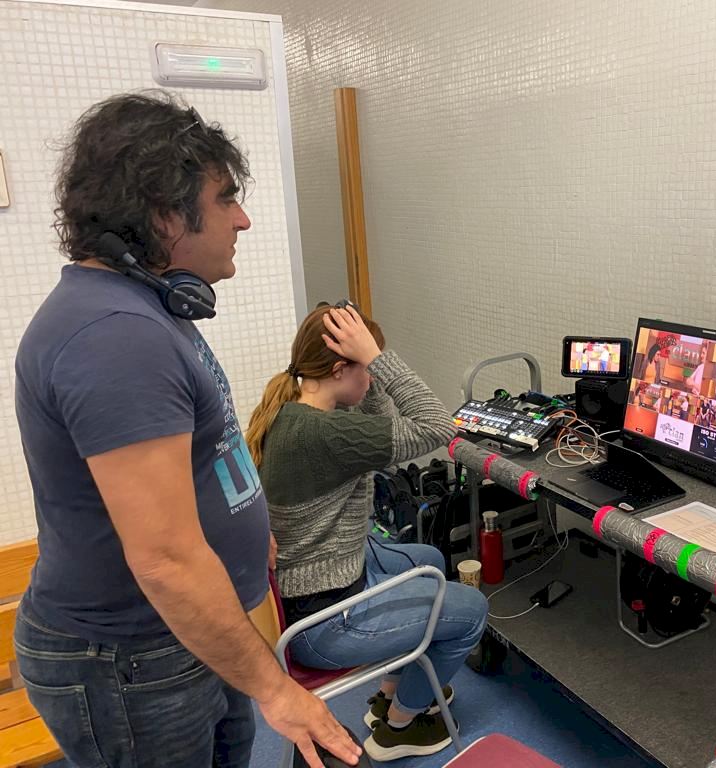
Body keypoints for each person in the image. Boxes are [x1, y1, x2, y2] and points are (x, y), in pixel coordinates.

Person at [13, 92, 361, 768]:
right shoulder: (116, 337)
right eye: (225, 199)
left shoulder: (146, 310)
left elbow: (203, 451)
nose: (243, 219)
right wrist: (277, 690)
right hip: (133, 659)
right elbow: (165, 560)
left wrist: (245, 525)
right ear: (163, 214)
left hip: (192, 632)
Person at [245, 303, 488, 762]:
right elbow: (438, 426)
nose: (372, 377)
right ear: (340, 369)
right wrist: (380, 358)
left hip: (321, 582)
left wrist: (367, 368)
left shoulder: (295, 412)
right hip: (324, 623)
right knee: (472, 611)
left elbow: (381, 433)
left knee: (430, 560)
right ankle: (400, 726)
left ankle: (391, 691)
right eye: (365, 367)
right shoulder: (327, 434)